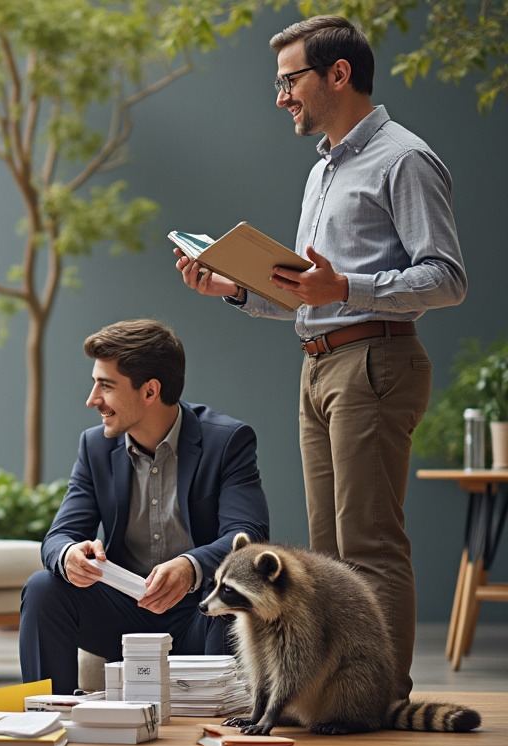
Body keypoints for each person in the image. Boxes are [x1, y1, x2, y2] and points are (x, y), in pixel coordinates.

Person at [173, 15, 467, 700]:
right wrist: (232, 289)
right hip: (321, 364)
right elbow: (311, 299)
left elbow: (448, 278)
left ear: (339, 74)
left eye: (289, 80)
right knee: (329, 559)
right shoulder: (324, 171)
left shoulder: (403, 159)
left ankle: (380, 695)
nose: (281, 97)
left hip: (375, 363)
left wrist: (347, 286)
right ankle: (340, 694)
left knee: (370, 548)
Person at [19, 319, 270, 694]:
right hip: (123, 618)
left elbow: (248, 537)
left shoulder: (227, 441)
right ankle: (46, 715)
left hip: (201, 616)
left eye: (105, 385)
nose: (92, 399)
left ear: (150, 391)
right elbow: (59, 536)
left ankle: (221, 727)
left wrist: (191, 567)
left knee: (233, 598)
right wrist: (70, 553)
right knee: (44, 588)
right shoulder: (95, 448)